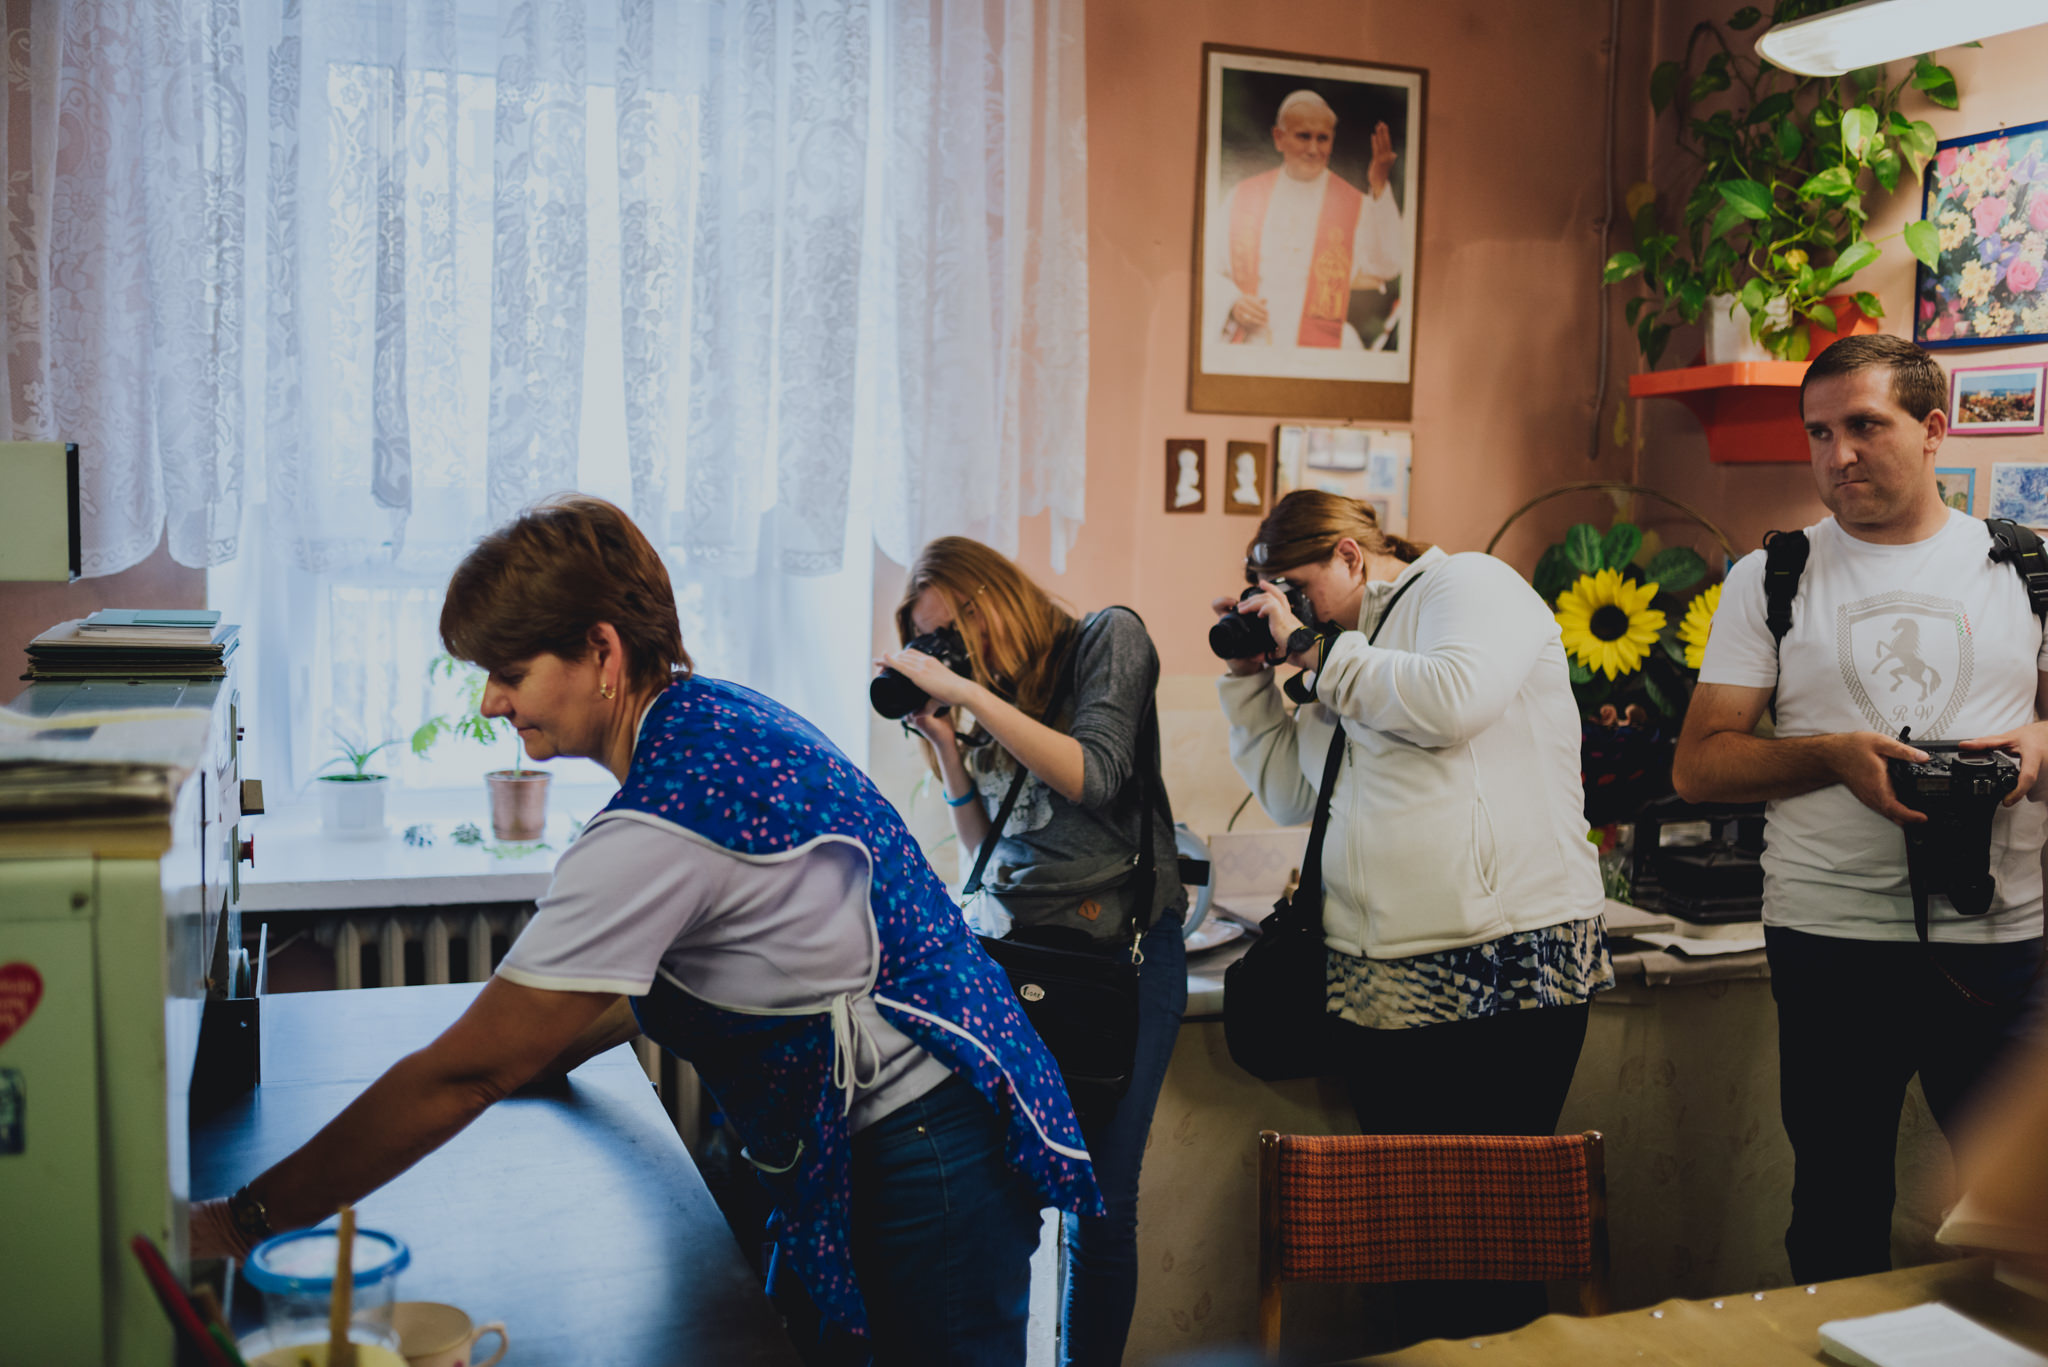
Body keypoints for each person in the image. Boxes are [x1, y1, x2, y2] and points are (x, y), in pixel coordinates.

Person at [192, 496, 1100, 1367]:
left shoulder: (662, 817)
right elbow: (676, 968)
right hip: (941, 1113)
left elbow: (470, 1069)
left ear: (600, 650)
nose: (490, 705)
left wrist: (241, 1225)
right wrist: (543, 1050)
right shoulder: (713, 715)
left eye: (510, 672)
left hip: (927, 1146)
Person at [1672, 334, 2048, 1285]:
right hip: (1829, 939)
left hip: (2001, 941)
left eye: (1865, 427)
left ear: (1931, 431)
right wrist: (1833, 757)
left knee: (2029, 1220)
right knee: (1835, 1212)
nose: (1838, 455)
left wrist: (2039, 748)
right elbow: (1700, 766)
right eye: (1820, 432)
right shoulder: (1775, 577)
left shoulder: (2027, 569)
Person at [1213, 489, 1611, 1342]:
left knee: (1487, 1258)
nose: (1288, 609)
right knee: (1414, 1261)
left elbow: (1450, 701)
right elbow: (1293, 791)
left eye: (1296, 585)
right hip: (1379, 984)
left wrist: (1314, 650)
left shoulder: (1467, 586)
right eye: (1268, 593)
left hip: (1506, 971)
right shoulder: (1340, 655)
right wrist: (1253, 683)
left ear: (1353, 556)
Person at [878, 536, 1186, 1367]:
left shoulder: (1107, 640)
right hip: (1026, 966)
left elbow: (1097, 773)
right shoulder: (994, 699)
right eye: (935, 642)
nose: (954, 652)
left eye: (954, 629)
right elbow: (992, 852)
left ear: (993, 596)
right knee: (1004, 1191)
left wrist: (965, 687)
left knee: (1101, 1205)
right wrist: (946, 744)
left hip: (1118, 960)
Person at [1204, 89, 1406, 351]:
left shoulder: (1354, 205)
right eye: (1303, 136)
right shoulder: (1242, 196)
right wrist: (1232, 302)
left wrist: (1379, 185)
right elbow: (1205, 267)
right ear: (1279, 138)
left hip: (1323, 351)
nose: (1313, 149)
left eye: (1323, 138)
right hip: (1253, 345)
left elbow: (1389, 264)